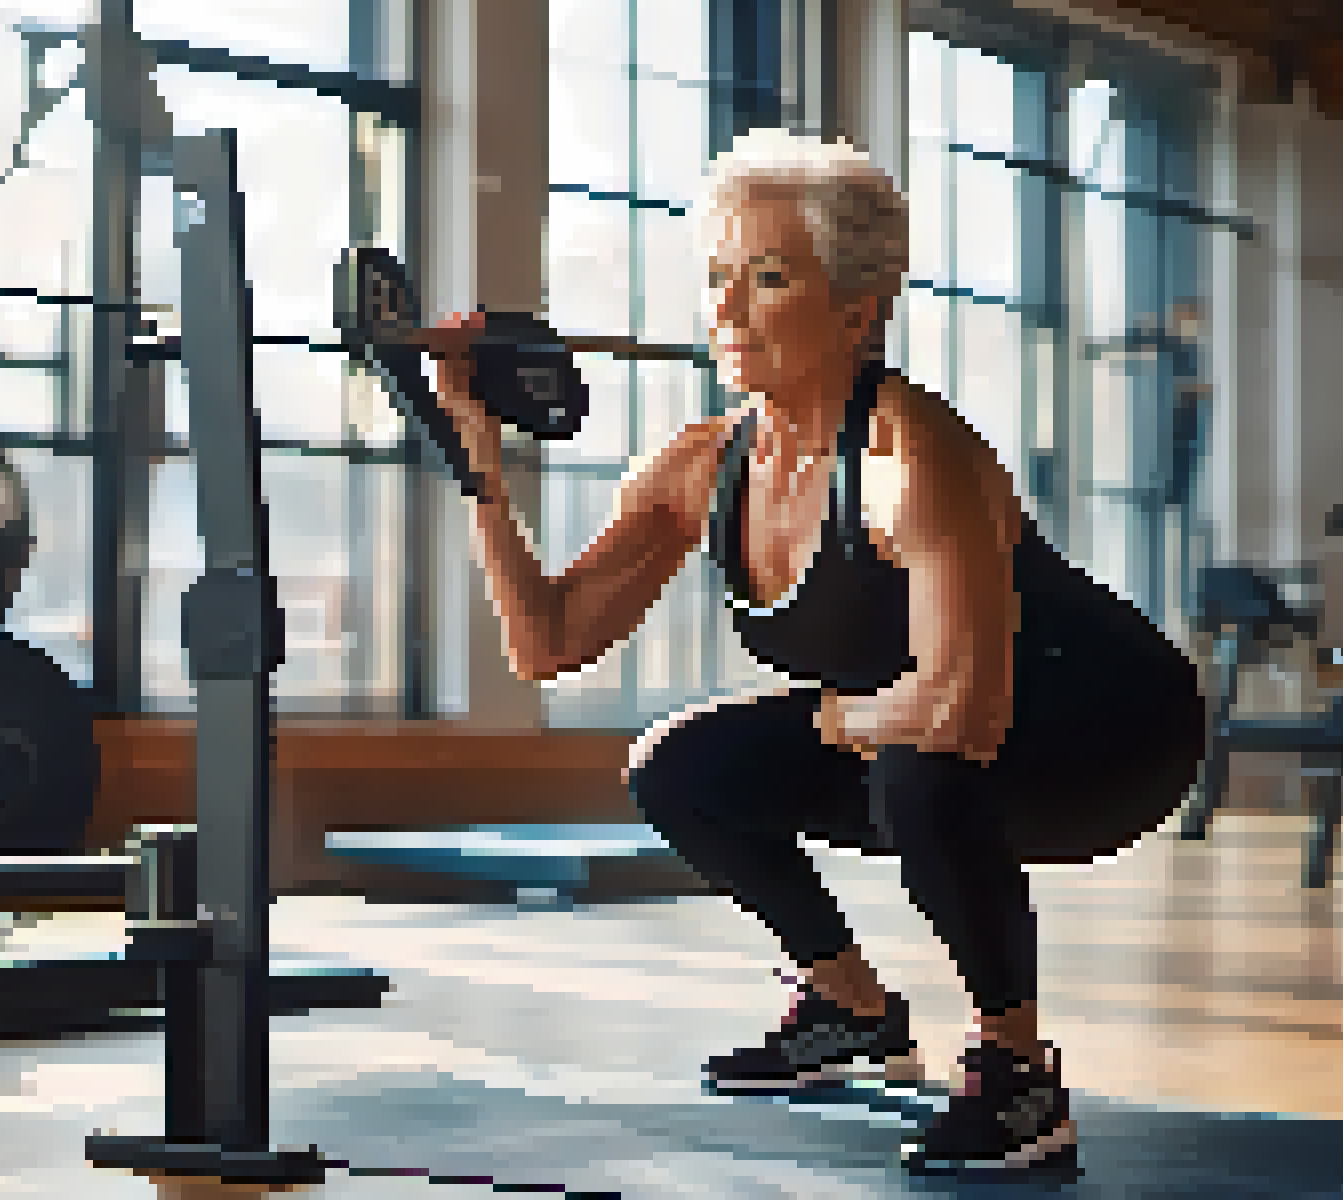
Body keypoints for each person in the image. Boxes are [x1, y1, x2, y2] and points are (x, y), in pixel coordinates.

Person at [422, 128, 1203, 1177]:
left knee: (917, 768)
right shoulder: (701, 464)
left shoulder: (911, 456)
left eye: (770, 277)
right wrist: (479, 463)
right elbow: (548, 644)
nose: (729, 311)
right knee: (680, 766)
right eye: (718, 279)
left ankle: (1019, 1074)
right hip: (918, 724)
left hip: (1113, 732)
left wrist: (841, 722)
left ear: (856, 307)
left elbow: (959, 710)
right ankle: (849, 1006)